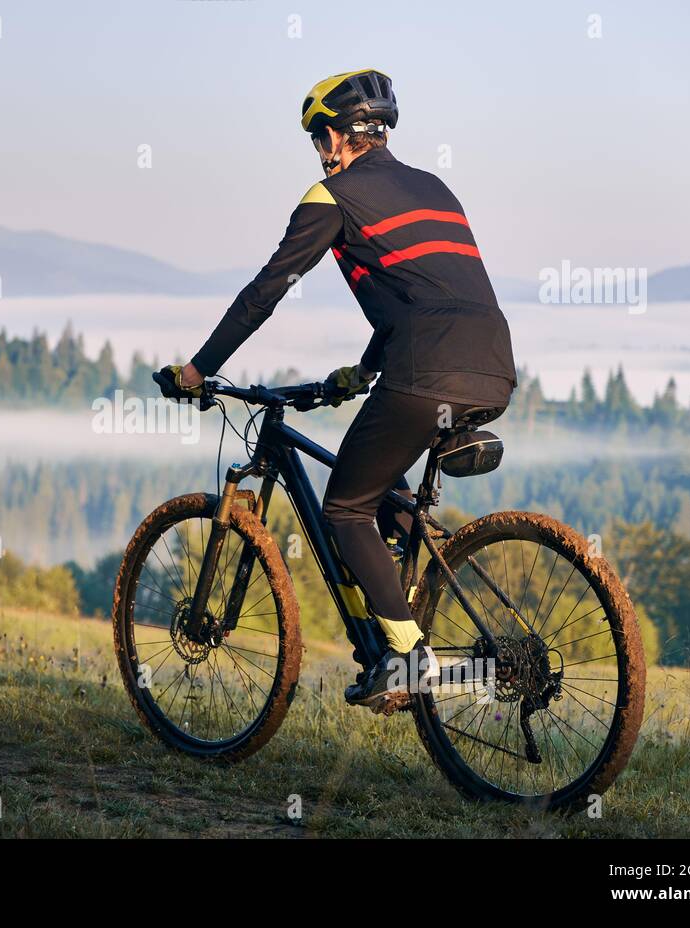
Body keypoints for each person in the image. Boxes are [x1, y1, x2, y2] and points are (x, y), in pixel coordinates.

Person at [166, 69, 516, 712]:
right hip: (492, 363)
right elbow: (427, 293)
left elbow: (265, 291)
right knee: (384, 493)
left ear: (334, 136)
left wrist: (198, 367)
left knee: (344, 509)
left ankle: (410, 656)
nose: (318, 152)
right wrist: (361, 370)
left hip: (424, 368)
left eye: (316, 138)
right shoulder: (437, 188)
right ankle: (422, 623)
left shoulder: (334, 194)